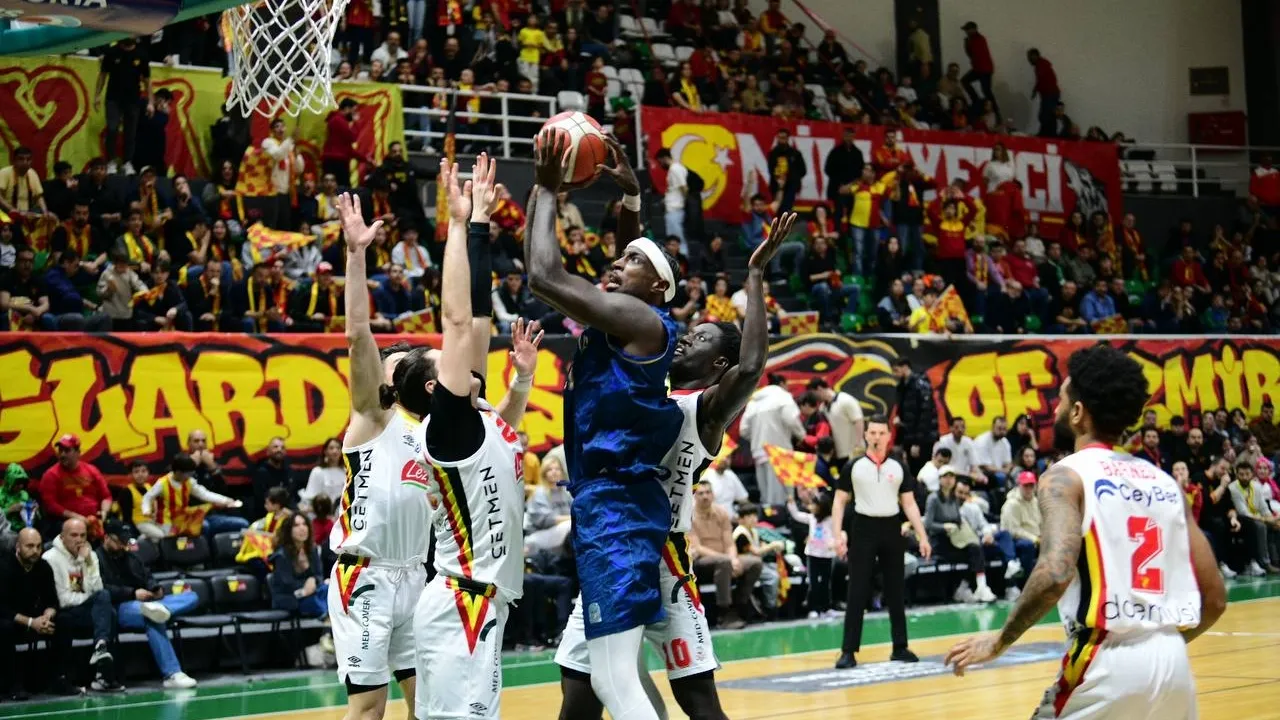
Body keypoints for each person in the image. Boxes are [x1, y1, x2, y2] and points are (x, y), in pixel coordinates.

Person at [556, 210, 795, 720]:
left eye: (702, 338)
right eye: (690, 332)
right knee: (579, 696)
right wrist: (628, 201)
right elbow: (628, 295)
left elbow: (752, 365)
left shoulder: (704, 410)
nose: (686, 339)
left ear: (718, 366)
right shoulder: (642, 383)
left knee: (699, 702)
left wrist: (754, 275)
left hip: (665, 555)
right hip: (617, 542)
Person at [945, 345, 1227, 720]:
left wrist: (1000, 640)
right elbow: (1215, 599)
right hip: (1172, 660)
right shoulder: (1165, 484)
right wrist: (1161, 645)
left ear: (1078, 412)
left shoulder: (1066, 476)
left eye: (1061, 399)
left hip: (1104, 659)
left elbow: (1055, 572)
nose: (1055, 409)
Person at [528, 130, 685, 720]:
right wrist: (632, 201)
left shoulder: (641, 321)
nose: (617, 265)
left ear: (658, 288)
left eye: (632, 262)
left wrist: (547, 188)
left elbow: (543, 276)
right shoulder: (632, 316)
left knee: (615, 684)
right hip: (609, 505)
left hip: (618, 509)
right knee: (607, 677)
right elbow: (631, 265)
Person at [410, 155, 538, 720]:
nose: (461, 355)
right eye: (443, 360)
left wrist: (482, 222)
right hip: (460, 603)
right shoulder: (448, 426)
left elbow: (478, 320)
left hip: (480, 604)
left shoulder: (478, 421)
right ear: (435, 387)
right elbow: (460, 321)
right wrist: (459, 224)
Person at [833, 416, 931, 669]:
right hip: (863, 527)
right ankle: (848, 651)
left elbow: (909, 503)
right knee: (857, 590)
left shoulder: (899, 467)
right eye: (873, 433)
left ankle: (900, 647)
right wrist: (837, 535)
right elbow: (839, 501)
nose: (877, 437)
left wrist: (922, 536)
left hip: (891, 526)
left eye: (881, 433)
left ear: (889, 436)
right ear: (866, 435)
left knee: (895, 589)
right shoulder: (854, 466)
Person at [96, 520, 199, 688]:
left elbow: (148, 577)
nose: (123, 545)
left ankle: (161, 608)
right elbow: (101, 589)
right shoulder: (96, 559)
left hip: (148, 602)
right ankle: (172, 673)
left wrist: (156, 589)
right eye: (119, 541)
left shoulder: (131, 557)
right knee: (152, 618)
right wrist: (132, 593)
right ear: (106, 538)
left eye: (126, 541)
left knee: (192, 596)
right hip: (121, 607)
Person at [43, 518, 123, 692]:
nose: (79, 540)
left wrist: (87, 562)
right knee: (96, 607)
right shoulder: (50, 558)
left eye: (83, 535)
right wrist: (89, 597)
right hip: (63, 610)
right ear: (62, 537)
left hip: (84, 609)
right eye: (74, 535)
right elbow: (63, 599)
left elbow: (98, 588)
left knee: (110, 611)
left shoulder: (90, 555)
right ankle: (63, 677)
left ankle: (103, 674)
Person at [0, 528, 80, 698]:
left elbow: (53, 602)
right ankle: (12, 685)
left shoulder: (43, 567)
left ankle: (59, 679)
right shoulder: (4, 567)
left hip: (38, 619)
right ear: (18, 546)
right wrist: (31, 622)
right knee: (4, 627)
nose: (35, 551)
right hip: (14, 620)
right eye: (29, 546)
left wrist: (47, 616)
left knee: (65, 620)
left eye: (38, 546)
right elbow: (2, 608)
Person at [142, 453, 246, 538]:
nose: (189, 476)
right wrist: (146, 510)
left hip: (183, 518)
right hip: (166, 521)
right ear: (178, 472)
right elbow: (147, 497)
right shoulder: (162, 483)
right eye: (187, 473)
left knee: (203, 527)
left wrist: (226, 500)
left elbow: (204, 494)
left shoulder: (189, 482)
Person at [94, 37, 152, 175]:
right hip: (113, 98)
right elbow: (103, 75)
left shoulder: (141, 54)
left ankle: (127, 162)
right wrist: (97, 95)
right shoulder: (112, 52)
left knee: (130, 133)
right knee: (112, 129)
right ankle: (111, 161)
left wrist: (150, 102)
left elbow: (147, 80)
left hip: (133, 99)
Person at [269, 514, 328, 618]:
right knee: (318, 601)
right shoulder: (281, 555)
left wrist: (313, 580)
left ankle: (327, 619)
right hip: (290, 598)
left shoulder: (312, 550)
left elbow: (319, 575)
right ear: (288, 531)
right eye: (296, 525)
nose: (302, 528)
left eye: (304, 524)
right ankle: (327, 619)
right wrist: (308, 585)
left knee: (330, 590)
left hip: (311, 592)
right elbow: (288, 584)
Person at [299, 438, 346, 517]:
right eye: (331, 448)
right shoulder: (318, 471)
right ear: (325, 451)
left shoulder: (346, 471)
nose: (335, 451)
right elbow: (310, 498)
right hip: (321, 515)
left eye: (338, 448)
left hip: (342, 514)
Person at [655, 148, 689, 255]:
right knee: (674, 238)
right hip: (673, 207)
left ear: (664, 158)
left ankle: (682, 259)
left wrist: (685, 203)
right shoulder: (676, 168)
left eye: (660, 162)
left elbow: (683, 187)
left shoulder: (675, 169)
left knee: (676, 239)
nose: (661, 165)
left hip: (675, 209)